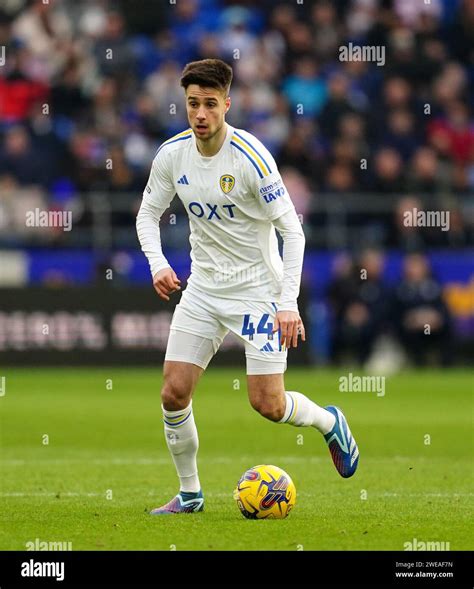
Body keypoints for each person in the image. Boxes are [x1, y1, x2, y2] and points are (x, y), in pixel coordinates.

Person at [136, 59, 359, 515]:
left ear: (227, 105)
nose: (200, 114)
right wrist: (158, 264)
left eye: (210, 104)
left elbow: (292, 233)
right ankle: (191, 493)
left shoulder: (252, 158)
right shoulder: (171, 155)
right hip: (202, 289)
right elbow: (146, 215)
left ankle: (328, 420)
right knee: (173, 392)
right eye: (193, 104)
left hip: (258, 291)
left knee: (269, 404)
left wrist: (287, 303)